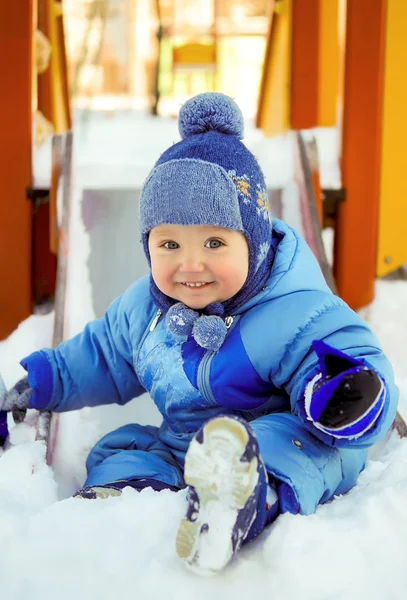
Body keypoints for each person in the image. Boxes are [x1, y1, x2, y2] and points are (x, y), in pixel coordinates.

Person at [0, 93, 398, 575]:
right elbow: (100, 357)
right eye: (169, 244)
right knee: (125, 446)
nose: (191, 265)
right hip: (185, 445)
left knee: (305, 447)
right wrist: (38, 384)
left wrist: (343, 395)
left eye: (214, 242)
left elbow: (343, 353)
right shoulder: (143, 309)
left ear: (251, 241)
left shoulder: (293, 307)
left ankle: (248, 495)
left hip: (279, 437)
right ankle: (128, 500)